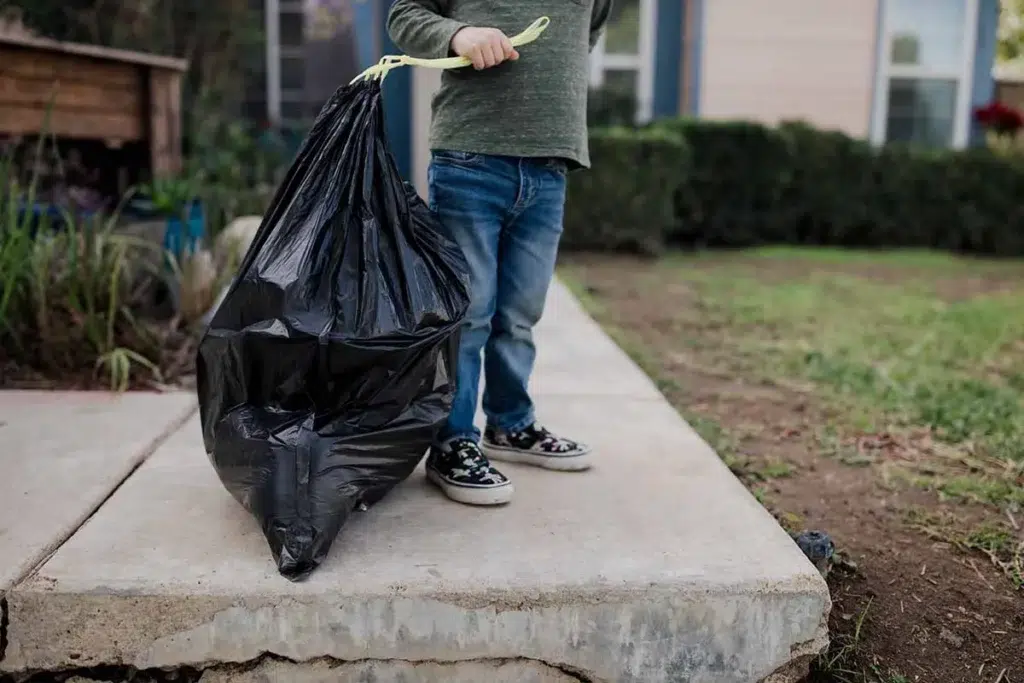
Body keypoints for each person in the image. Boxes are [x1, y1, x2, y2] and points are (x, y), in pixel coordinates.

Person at [387, 0, 611, 506]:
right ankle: (453, 440)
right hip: (471, 159)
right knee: (470, 313)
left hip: (552, 165)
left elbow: (585, 34)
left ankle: (510, 425)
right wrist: (458, 34)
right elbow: (405, 14)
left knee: (520, 314)